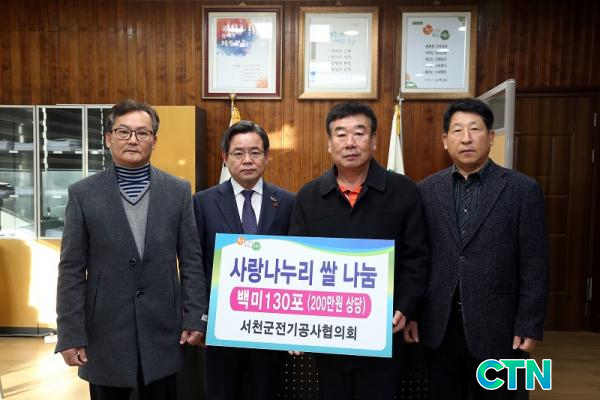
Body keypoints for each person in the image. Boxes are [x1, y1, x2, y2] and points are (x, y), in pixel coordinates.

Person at [55, 99, 208, 400]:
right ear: (108, 138)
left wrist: (195, 317)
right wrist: (70, 333)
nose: (133, 140)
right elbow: (71, 269)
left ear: (154, 140)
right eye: (123, 132)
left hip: (164, 329)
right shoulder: (83, 194)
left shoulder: (177, 191)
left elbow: (191, 260)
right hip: (104, 332)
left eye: (142, 133)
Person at [404, 98, 549, 399]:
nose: (466, 138)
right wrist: (413, 313)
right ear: (445, 140)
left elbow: (535, 263)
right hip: (439, 326)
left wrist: (530, 322)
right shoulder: (425, 190)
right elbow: (418, 258)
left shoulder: (522, 190)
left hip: (500, 328)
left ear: (491, 137)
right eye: (457, 130)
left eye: (475, 129)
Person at [288, 101, 429, 399]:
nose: (350, 142)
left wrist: (404, 307)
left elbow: (417, 258)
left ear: (374, 140)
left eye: (359, 133)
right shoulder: (309, 197)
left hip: (384, 328)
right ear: (329, 143)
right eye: (340, 134)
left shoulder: (404, 191)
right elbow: (297, 263)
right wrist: (296, 323)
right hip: (327, 332)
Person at [193, 120, 295, 399]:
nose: (247, 160)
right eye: (238, 153)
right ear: (225, 158)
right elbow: (196, 264)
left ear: (267, 156)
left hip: (269, 329)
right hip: (220, 328)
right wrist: (200, 318)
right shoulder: (202, 202)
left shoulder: (287, 202)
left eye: (255, 152)